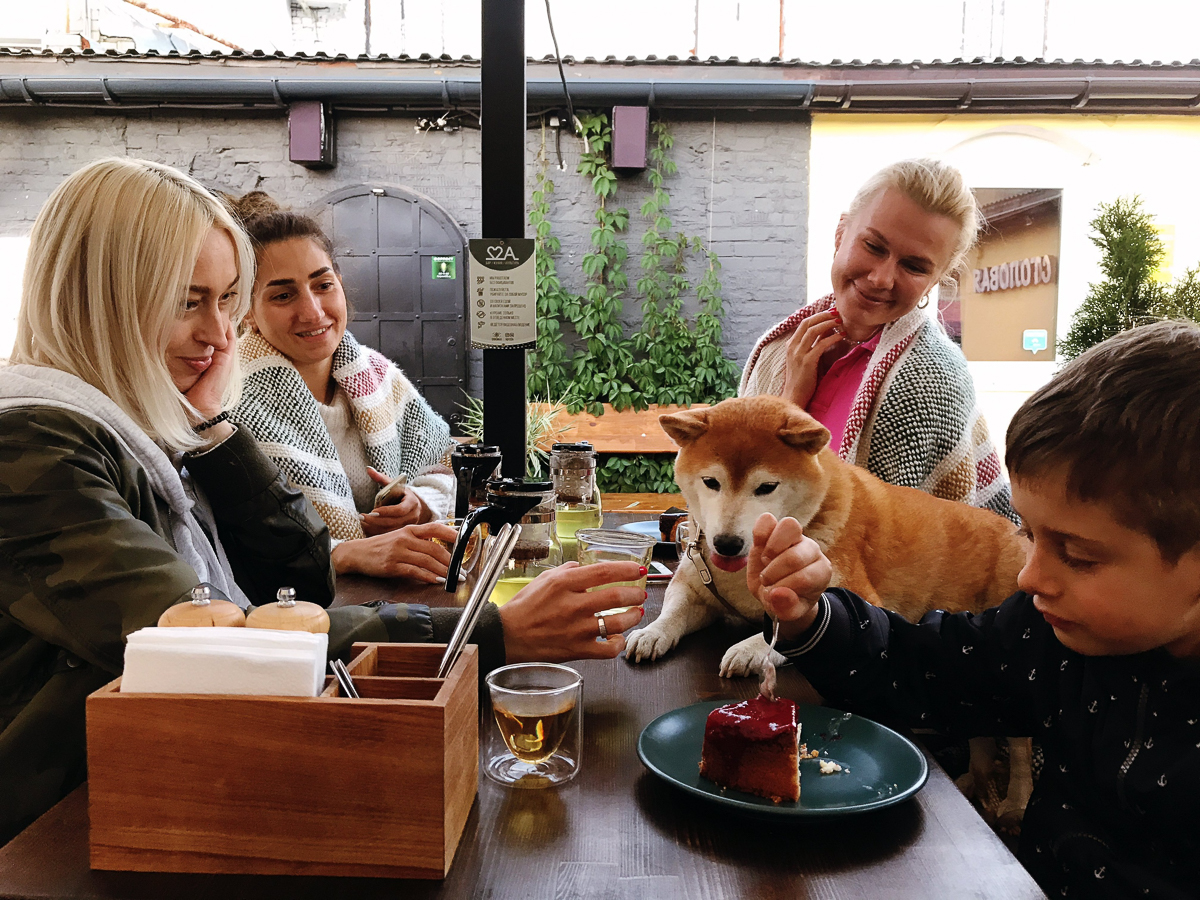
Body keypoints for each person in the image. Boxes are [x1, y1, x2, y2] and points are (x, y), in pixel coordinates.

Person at [0, 159, 645, 845]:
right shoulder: (35, 443)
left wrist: (213, 424)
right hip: (57, 829)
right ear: (97, 298)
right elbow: (204, 646)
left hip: (165, 790)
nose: (220, 335)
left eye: (226, 301)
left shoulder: (155, 426)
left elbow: (301, 576)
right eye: (188, 301)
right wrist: (491, 631)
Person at [746, 320, 1200, 899]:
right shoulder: (1045, 638)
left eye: (1079, 556)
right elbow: (916, 665)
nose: (1029, 575)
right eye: (1031, 536)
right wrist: (813, 618)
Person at [740, 158, 1016, 522]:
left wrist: (788, 414)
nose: (882, 278)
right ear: (841, 234)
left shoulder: (932, 379)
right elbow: (740, 491)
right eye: (873, 246)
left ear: (935, 281)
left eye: (914, 267)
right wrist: (791, 400)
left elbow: (883, 543)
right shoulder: (780, 349)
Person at [224, 192, 461, 584]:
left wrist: (420, 503)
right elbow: (234, 545)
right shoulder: (230, 404)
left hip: (402, 600)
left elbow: (448, 464)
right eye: (283, 295)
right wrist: (347, 554)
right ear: (247, 309)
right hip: (300, 619)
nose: (313, 311)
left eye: (323, 285)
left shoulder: (379, 377)